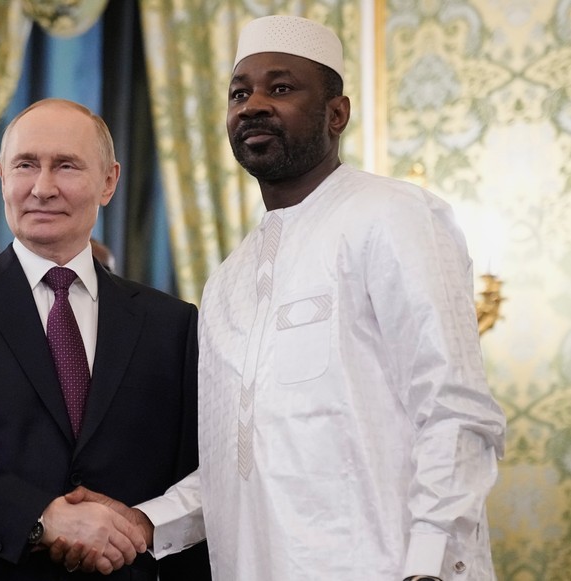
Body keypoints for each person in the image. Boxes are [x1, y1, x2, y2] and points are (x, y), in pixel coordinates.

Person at [58, 15, 507, 581]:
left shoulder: (394, 216)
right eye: (239, 93)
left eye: (282, 88)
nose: (253, 106)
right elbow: (236, 464)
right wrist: (146, 521)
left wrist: (430, 565)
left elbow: (454, 411)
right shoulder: (228, 281)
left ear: (336, 114)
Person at [0, 98, 210, 580]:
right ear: (1, 175)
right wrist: (40, 517)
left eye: (66, 166)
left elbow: (201, 469)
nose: (42, 187)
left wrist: (142, 523)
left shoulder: (172, 324)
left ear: (109, 181)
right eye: (25, 165)